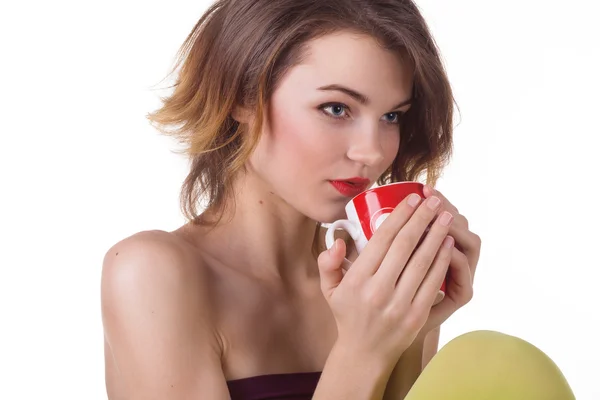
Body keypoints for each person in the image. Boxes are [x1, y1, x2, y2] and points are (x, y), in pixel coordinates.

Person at [100, 0, 576, 399]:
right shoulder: (152, 272)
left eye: (392, 116)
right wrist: (362, 351)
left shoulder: (370, 282)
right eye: (336, 108)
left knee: (498, 364)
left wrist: (412, 328)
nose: (372, 152)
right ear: (241, 96)